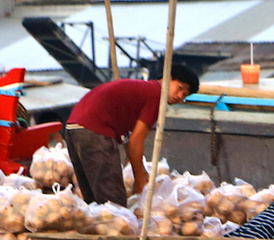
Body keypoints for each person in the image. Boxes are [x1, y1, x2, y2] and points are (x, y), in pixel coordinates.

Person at [63, 64, 199, 205]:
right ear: (167, 78)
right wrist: (139, 180)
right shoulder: (156, 95)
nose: (180, 96)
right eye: (180, 88)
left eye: (185, 95)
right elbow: (136, 141)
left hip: (74, 128)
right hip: (94, 130)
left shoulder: (142, 90)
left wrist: (140, 170)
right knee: (113, 202)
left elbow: (128, 139)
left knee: (94, 200)